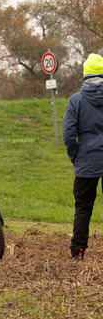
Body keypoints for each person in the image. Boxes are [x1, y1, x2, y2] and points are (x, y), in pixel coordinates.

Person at [62, 53, 103, 262]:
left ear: (85, 75)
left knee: (83, 209)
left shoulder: (76, 100)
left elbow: (68, 135)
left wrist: (76, 157)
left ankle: (77, 253)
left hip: (86, 161)